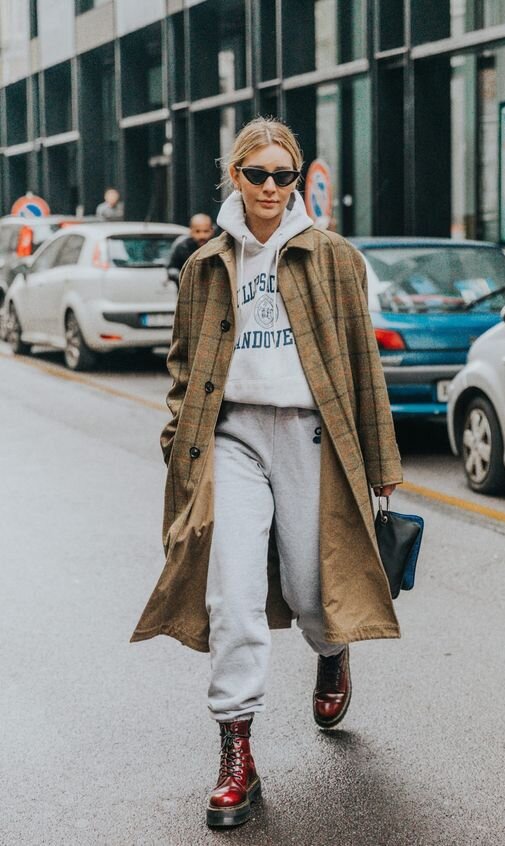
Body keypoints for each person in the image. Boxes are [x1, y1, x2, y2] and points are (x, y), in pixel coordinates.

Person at [131, 117, 402, 828]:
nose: (272, 188)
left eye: (284, 175)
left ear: (296, 178)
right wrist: (177, 439)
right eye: (258, 175)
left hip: (310, 434)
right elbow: (184, 363)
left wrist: (381, 462)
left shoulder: (334, 258)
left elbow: (362, 361)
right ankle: (236, 754)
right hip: (232, 437)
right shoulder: (204, 265)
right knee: (233, 596)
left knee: (313, 590)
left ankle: (332, 650)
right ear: (236, 176)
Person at [167, 213, 215, 287]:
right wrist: (184, 278)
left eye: (206, 231)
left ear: (212, 231)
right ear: (191, 231)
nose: (202, 236)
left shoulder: (217, 247)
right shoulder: (182, 246)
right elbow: (172, 268)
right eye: (197, 231)